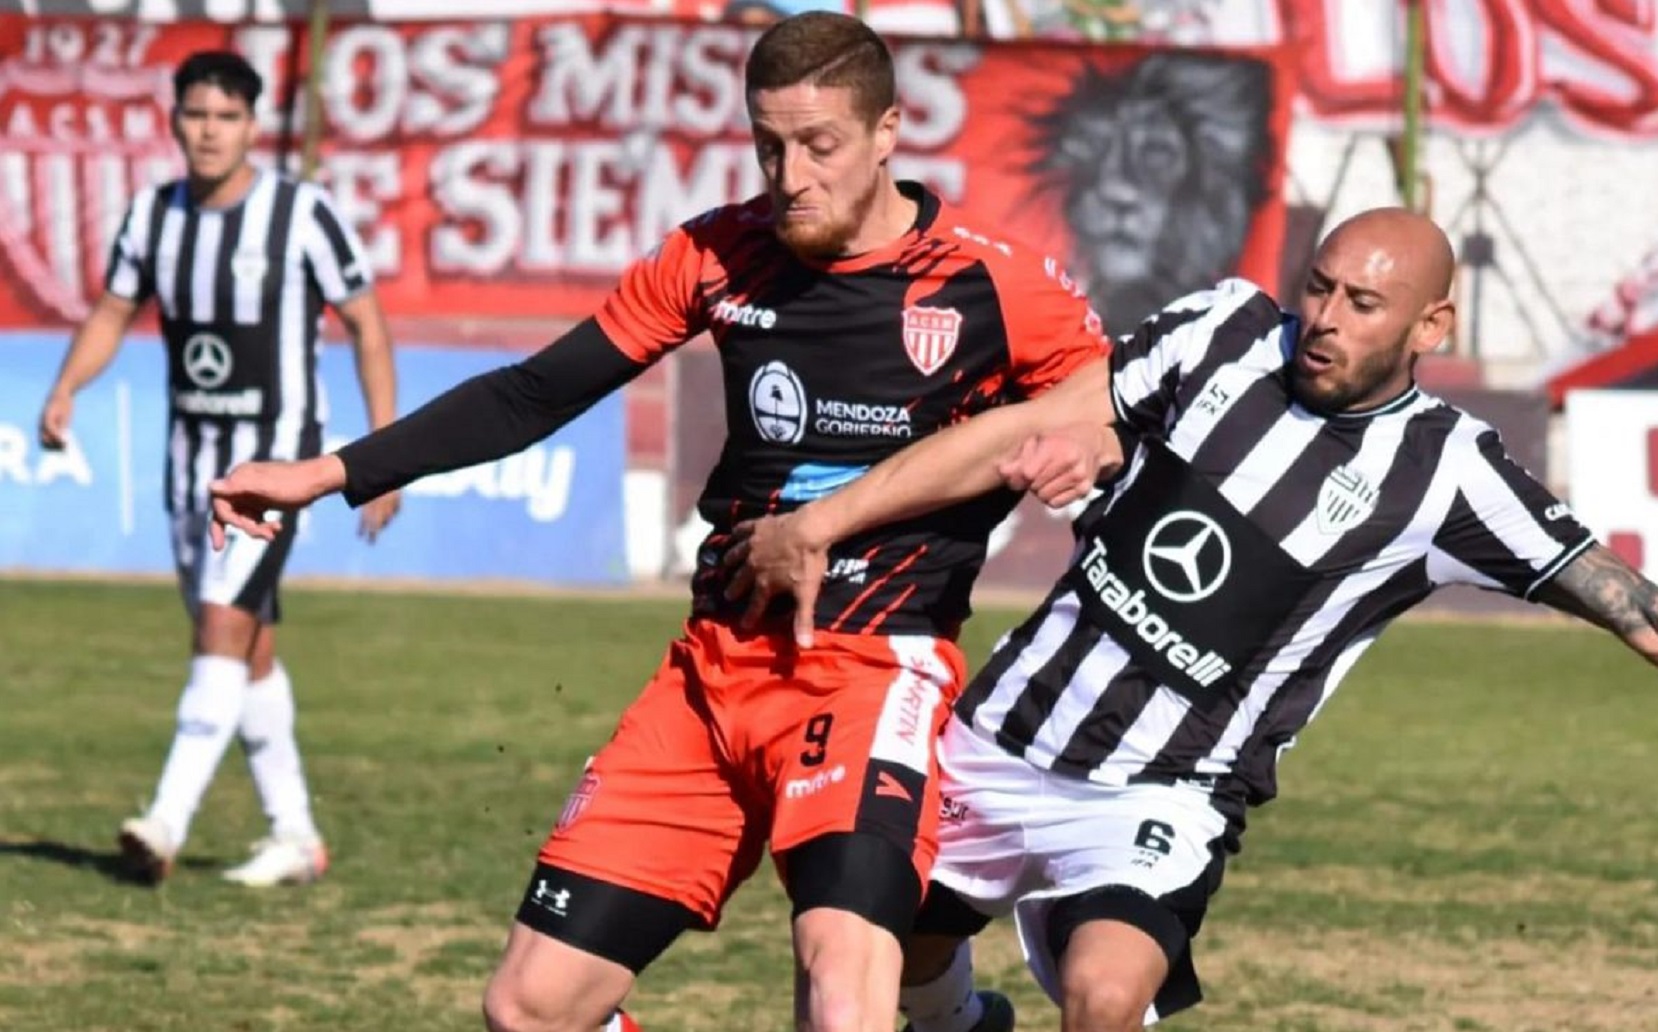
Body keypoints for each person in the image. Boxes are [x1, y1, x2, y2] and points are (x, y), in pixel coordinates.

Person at [206, 13, 1109, 1032]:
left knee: (843, 991)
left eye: (821, 145)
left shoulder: (993, 283)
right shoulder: (717, 252)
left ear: (889, 130)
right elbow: (533, 393)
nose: (791, 174)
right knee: (531, 1007)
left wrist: (1058, 455)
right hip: (713, 675)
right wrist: (327, 472)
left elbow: (1106, 410)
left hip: (870, 674)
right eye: (770, 145)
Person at [721, 207, 1658, 1032]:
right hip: (1003, 739)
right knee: (879, 951)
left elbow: (1649, 616)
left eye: (1362, 305)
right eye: (1319, 287)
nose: (1324, 319)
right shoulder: (1223, 332)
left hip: (1164, 789)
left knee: (1105, 993)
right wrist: (835, 518)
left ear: (1434, 325)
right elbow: (1061, 419)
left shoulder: (1452, 475)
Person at [36, 50, 401, 889]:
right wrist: (65, 389)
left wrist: (382, 454)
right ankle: (297, 838)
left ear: (251, 126)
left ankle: (164, 821)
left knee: (217, 630)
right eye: (196, 114)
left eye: (226, 117)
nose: (209, 131)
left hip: (272, 466)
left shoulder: (302, 214)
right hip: (187, 465)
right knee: (250, 649)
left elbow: (367, 325)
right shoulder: (152, 217)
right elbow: (113, 310)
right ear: (174, 120)